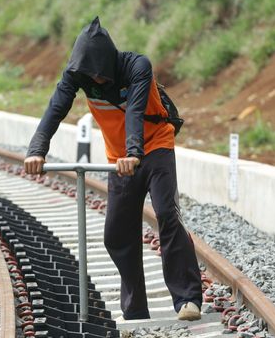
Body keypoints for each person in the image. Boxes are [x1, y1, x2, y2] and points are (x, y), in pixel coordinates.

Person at [23, 17, 202, 321]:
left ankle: (187, 299)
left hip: (155, 146)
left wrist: (134, 153)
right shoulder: (77, 75)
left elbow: (134, 109)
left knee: (166, 213)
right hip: (119, 157)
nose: (97, 81)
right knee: (116, 233)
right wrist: (37, 149)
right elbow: (56, 107)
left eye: (100, 75)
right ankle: (135, 309)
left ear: (108, 63)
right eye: (90, 76)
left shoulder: (137, 67)